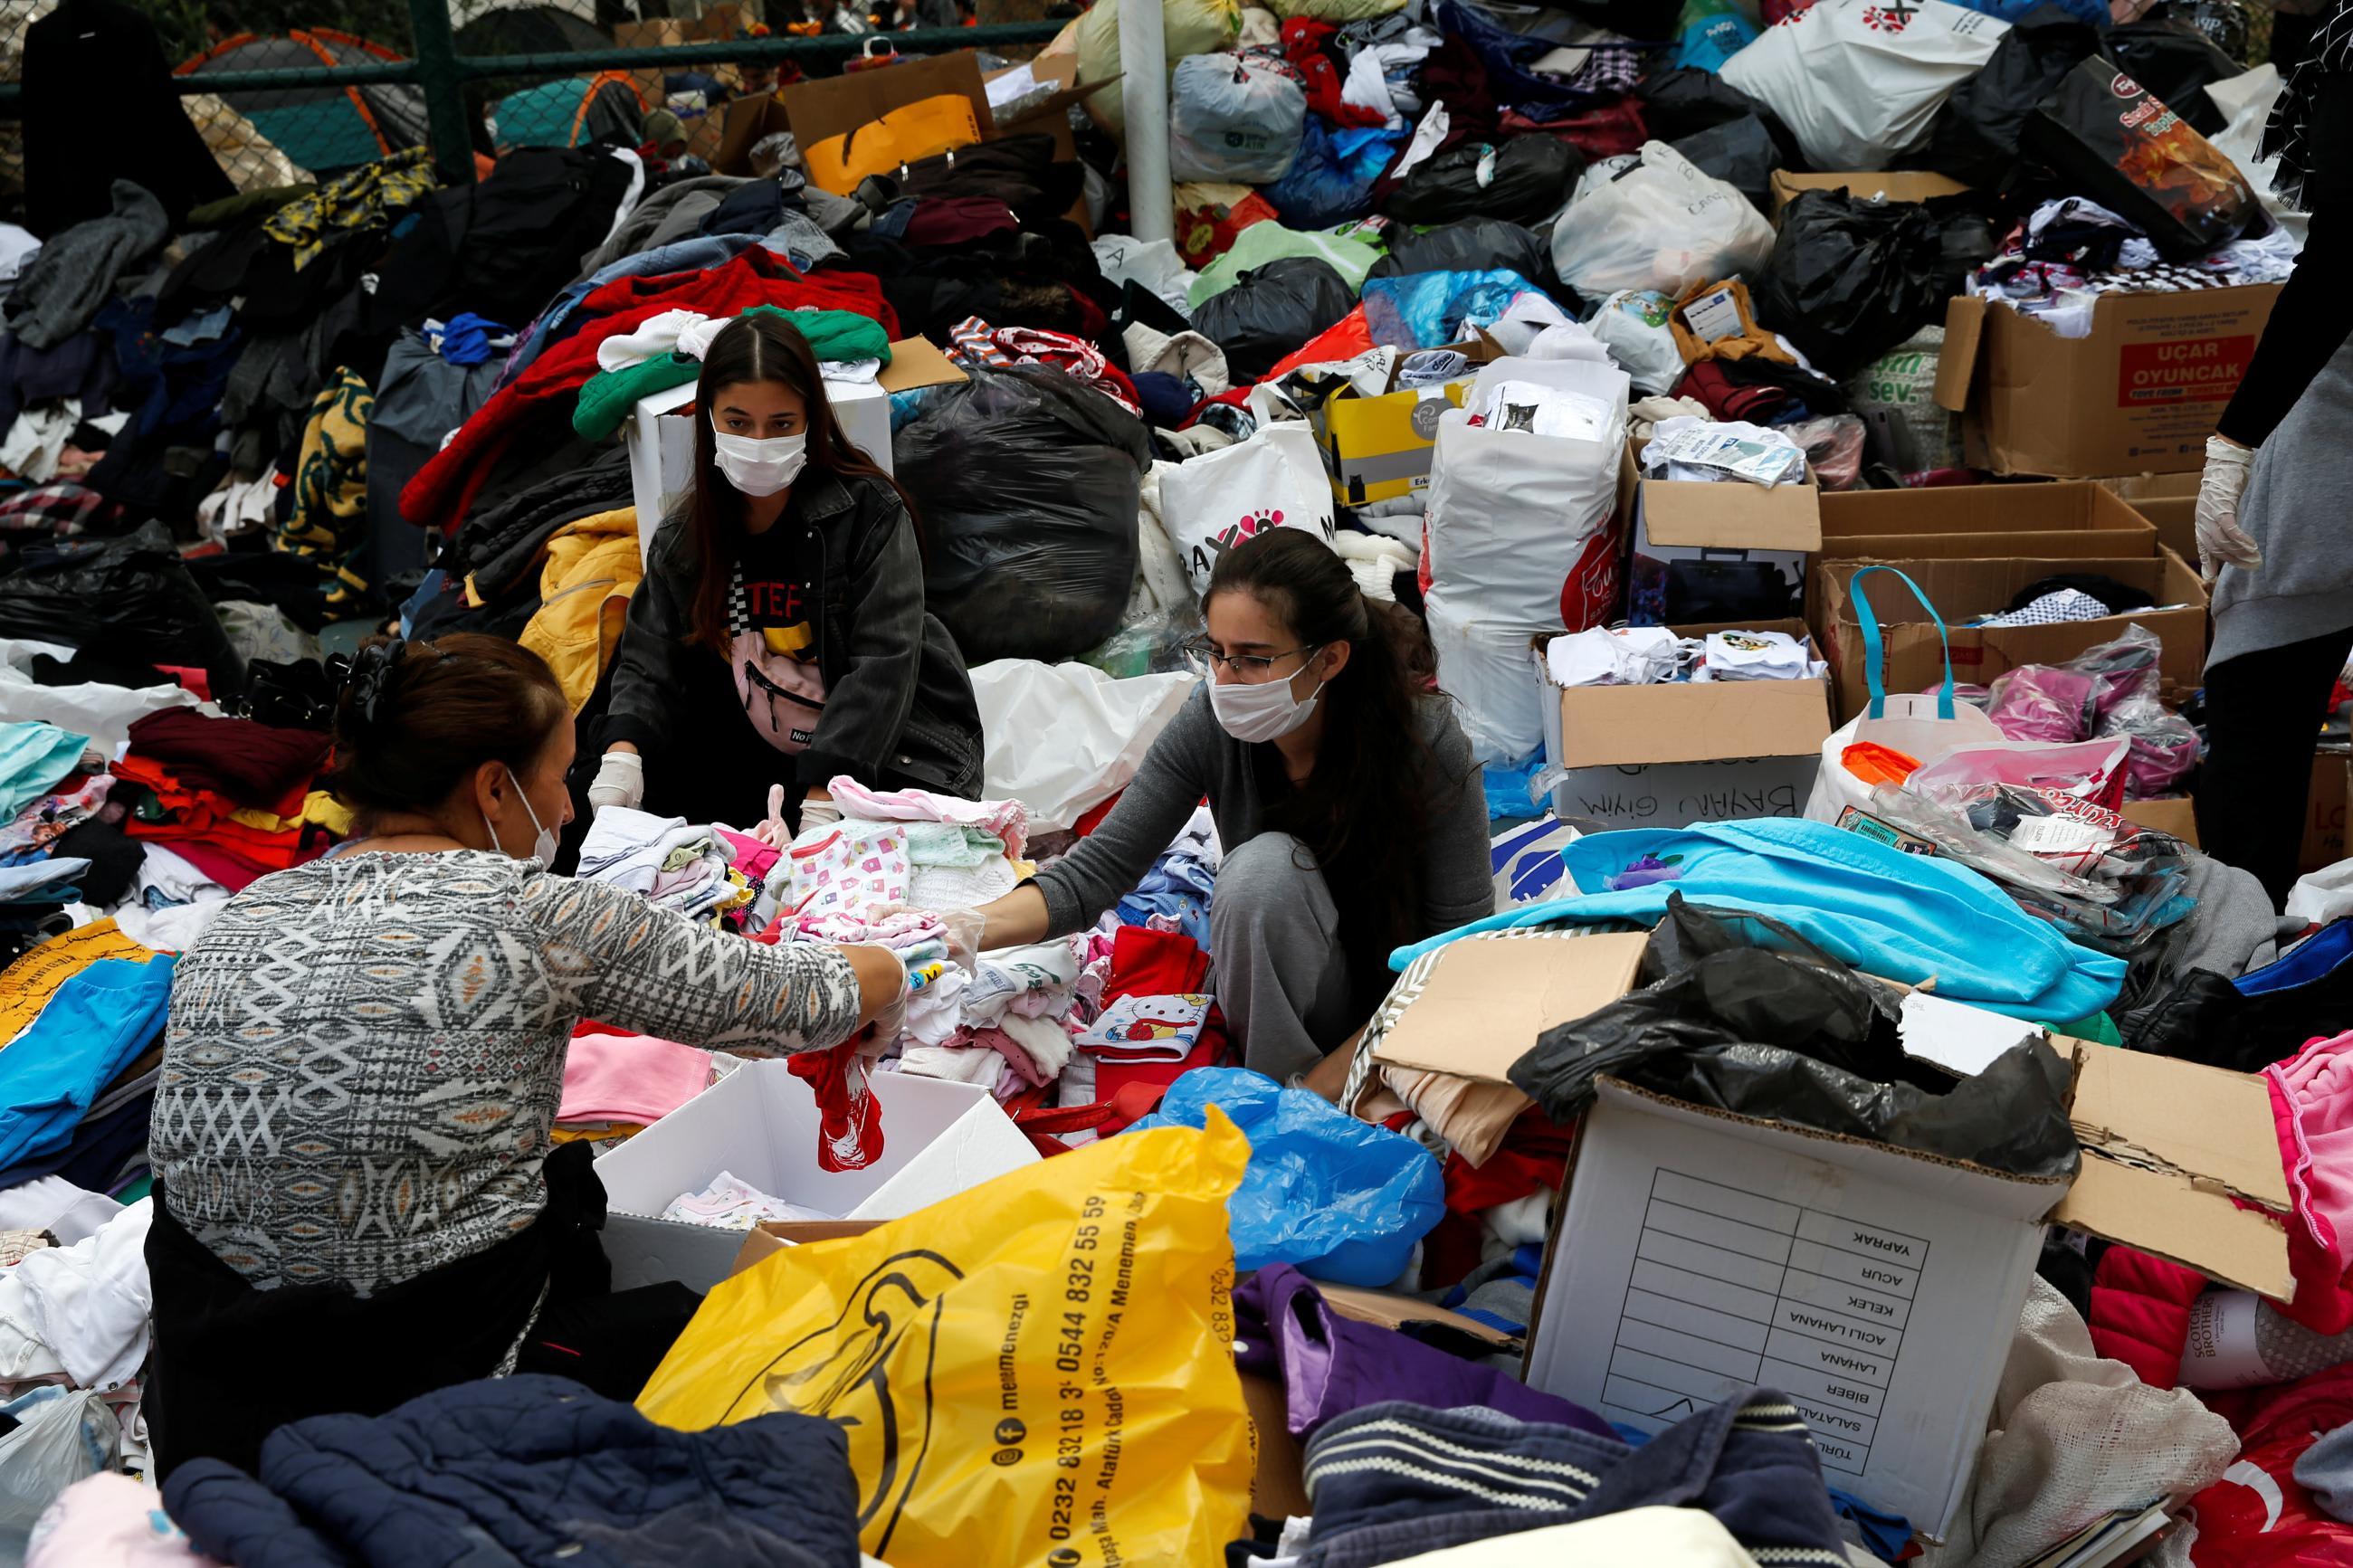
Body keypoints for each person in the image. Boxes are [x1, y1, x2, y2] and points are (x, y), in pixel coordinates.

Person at [144, 634, 908, 1478]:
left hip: (216, 1406)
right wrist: (894, 968)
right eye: (559, 776)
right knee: (750, 1343)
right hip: (423, 1388)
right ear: (494, 789)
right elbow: (788, 1001)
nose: (571, 809)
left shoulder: (240, 919)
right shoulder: (535, 913)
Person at [938, 529, 1491, 1086]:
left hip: (1407, 1003)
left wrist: (1327, 1088)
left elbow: (1460, 949)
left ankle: (1300, 1098)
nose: (1225, 679)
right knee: (1261, 873)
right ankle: (1277, 1082)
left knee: (1264, 872)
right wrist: (953, 932)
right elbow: (1096, 871)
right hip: (1290, 1005)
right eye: (1216, 653)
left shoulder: (1425, 741)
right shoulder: (1214, 720)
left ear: (1329, 660)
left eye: (1253, 659)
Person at [587, 312, 984, 833]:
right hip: (757, 750)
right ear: (708, 421)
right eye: (737, 422)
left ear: (810, 420)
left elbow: (884, 661)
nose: (758, 441)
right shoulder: (686, 537)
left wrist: (826, 792)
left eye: (780, 424)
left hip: (881, 747)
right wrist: (623, 754)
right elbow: (647, 658)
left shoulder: (870, 514)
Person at [2194, 19, 2351, 907]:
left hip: (2338, 414)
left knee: (2257, 681)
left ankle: (2237, 964)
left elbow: (2338, 265)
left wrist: (2233, 440)